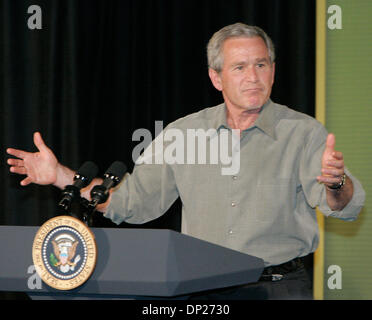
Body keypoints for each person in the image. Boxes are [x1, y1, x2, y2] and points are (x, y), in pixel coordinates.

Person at [7, 23, 365, 299]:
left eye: (261, 64)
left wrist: (336, 183)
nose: (253, 77)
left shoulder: (303, 132)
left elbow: (344, 206)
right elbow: (133, 203)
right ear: (216, 77)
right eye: (239, 67)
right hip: (201, 291)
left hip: (278, 287)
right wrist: (60, 176)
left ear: (273, 70)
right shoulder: (182, 133)